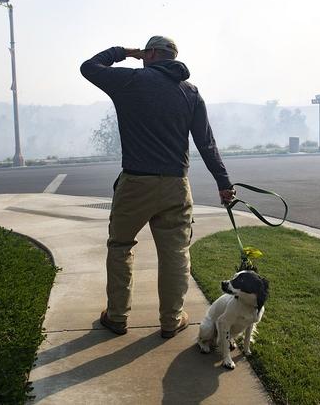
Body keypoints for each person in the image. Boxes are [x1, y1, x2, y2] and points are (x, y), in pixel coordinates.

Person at [80, 36, 235, 338]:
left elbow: (89, 67)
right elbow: (206, 142)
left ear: (149, 54)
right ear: (173, 57)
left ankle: (117, 317)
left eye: (143, 52)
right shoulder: (190, 92)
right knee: (176, 253)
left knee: (121, 247)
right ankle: (171, 320)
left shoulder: (131, 80)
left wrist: (123, 52)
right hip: (177, 185)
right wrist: (224, 183)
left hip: (136, 183)